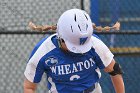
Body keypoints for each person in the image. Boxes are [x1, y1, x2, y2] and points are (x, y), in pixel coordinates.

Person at [23, 9, 125, 93]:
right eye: (74, 46)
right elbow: (29, 87)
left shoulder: (95, 43)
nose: (79, 51)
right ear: (61, 37)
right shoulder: (43, 51)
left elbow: (115, 71)